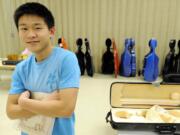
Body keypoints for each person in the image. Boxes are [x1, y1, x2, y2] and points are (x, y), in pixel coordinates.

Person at [6, 2, 80, 135]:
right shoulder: (21, 69)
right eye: (24, 29)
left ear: (51, 31)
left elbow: (66, 109)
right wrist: (46, 102)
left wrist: (24, 102)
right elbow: (11, 111)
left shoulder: (66, 59)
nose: (31, 34)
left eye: (37, 28)